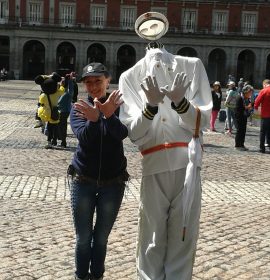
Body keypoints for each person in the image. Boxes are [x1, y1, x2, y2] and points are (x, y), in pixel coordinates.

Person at [119, 43, 212, 278]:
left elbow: (202, 121)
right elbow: (134, 133)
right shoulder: (130, 76)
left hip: (187, 164)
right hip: (153, 163)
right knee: (151, 236)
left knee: (184, 234)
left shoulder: (192, 66)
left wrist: (182, 104)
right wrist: (150, 107)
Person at [68, 62, 129, 280]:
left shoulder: (119, 104)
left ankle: (97, 276)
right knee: (83, 238)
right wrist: (94, 121)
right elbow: (84, 137)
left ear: (107, 80)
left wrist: (109, 116)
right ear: (84, 85)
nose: (93, 86)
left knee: (101, 238)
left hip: (113, 183)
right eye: (89, 82)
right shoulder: (79, 108)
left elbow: (122, 134)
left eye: (98, 81)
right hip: (83, 180)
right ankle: (80, 276)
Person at [34, 72, 64, 149]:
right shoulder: (57, 93)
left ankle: (49, 142)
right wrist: (53, 78)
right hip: (55, 113)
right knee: (55, 127)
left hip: (46, 114)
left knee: (49, 128)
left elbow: (41, 103)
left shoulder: (43, 95)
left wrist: (45, 76)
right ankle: (56, 140)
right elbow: (62, 89)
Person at [234, 85, 253, 151]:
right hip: (239, 116)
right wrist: (247, 107)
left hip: (244, 116)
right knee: (239, 131)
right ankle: (237, 145)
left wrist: (249, 107)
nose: (250, 94)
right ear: (246, 92)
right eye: (250, 92)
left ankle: (241, 144)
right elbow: (238, 108)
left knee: (243, 131)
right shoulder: (239, 97)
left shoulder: (246, 98)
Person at [57, 72, 74, 147]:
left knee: (62, 127)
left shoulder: (68, 92)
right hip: (62, 111)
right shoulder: (62, 91)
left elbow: (71, 87)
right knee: (60, 126)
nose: (60, 82)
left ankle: (63, 142)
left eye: (61, 82)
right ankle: (60, 140)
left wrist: (70, 80)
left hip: (64, 112)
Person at [254, 79, 270, 153]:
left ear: (264, 84)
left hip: (265, 115)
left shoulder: (264, 91)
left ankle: (262, 148)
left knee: (263, 131)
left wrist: (256, 108)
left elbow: (257, 101)